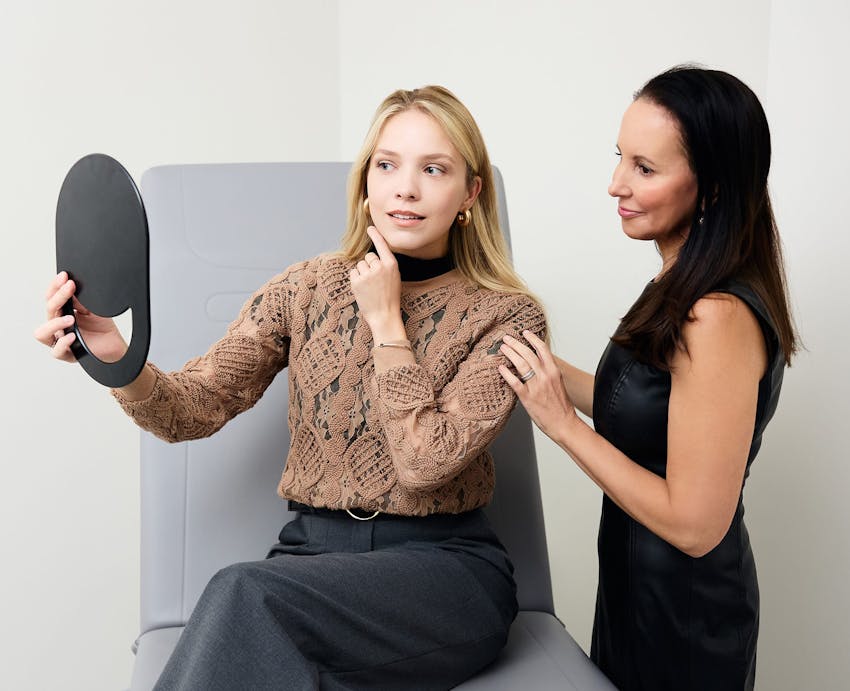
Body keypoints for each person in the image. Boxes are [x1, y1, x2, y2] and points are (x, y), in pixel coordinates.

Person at [36, 85, 546, 690]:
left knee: (242, 593)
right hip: (311, 560)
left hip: (443, 572)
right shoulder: (306, 288)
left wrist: (387, 325)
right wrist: (116, 354)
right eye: (386, 165)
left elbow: (424, 462)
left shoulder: (507, 317)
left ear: (471, 193)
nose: (405, 188)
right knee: (254, 623)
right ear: (366, 181)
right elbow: (193, 408)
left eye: (433, 169)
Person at [499, 66, 797, 691]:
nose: (616, 185)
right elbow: (638, 407)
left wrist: (562, 426)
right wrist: (531, 364)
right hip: (635, 595)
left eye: (645, 168)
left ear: (712, 189)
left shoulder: (716, 315)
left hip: (686, 622)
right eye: (621, 158)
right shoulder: (678, 281)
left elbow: (695, 526)